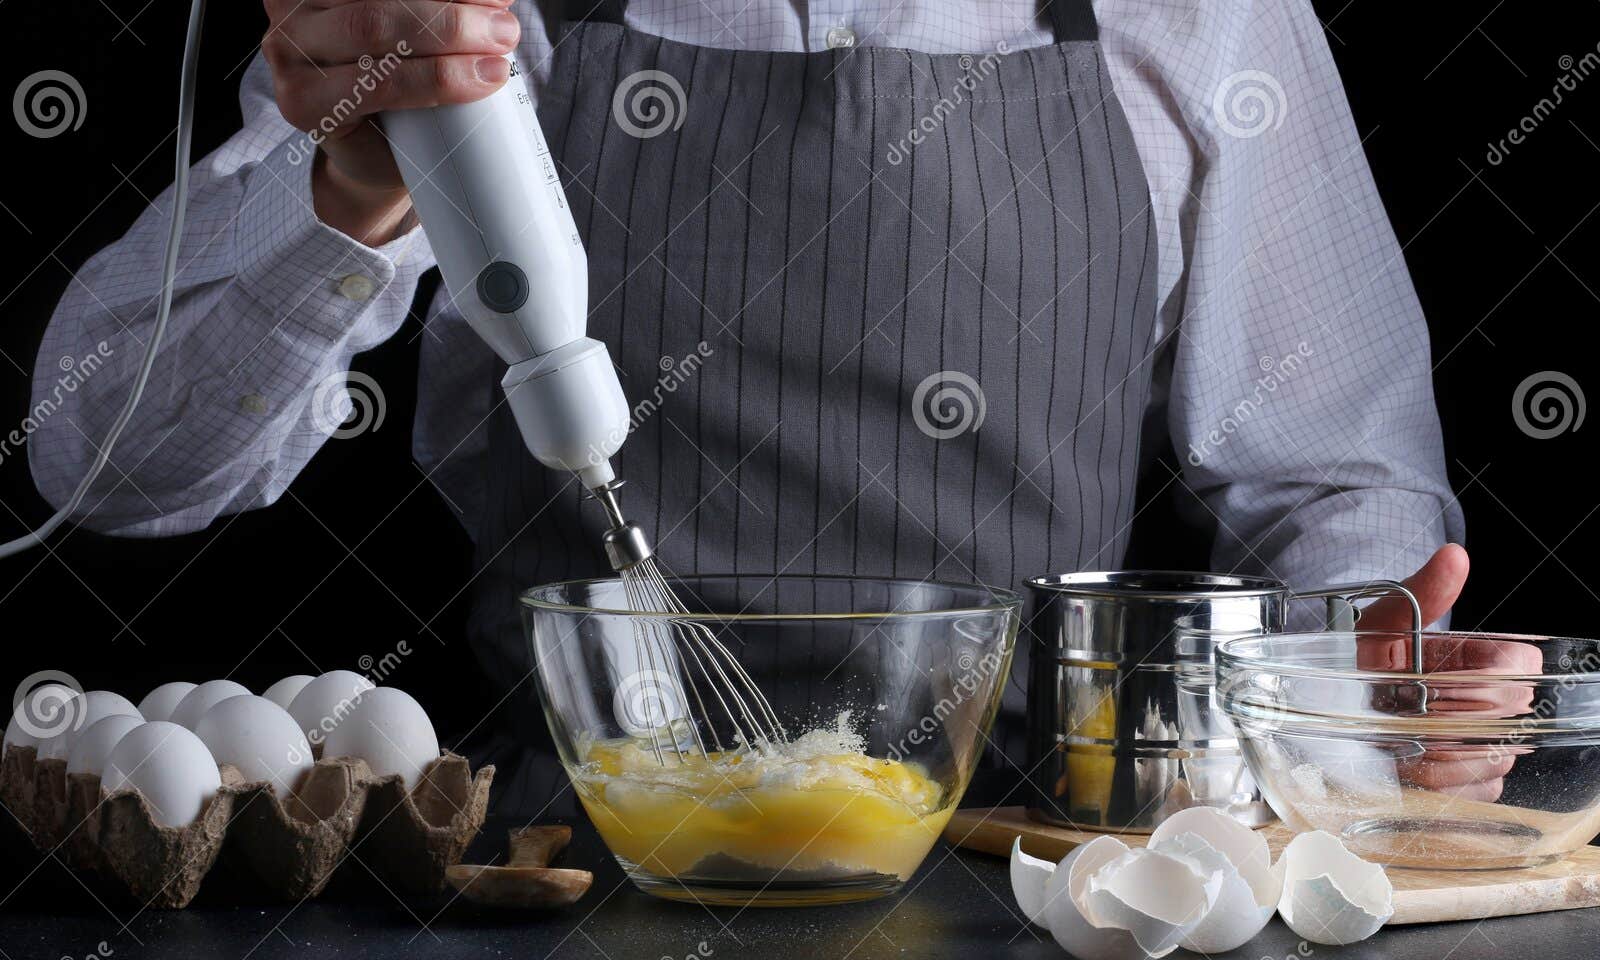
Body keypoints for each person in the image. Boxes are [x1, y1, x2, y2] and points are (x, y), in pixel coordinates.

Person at [29, 0, 1476, 809]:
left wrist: (1358, 707)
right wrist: (345, 195)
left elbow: (1340, 488)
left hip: (1047, 890)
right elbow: (107, 465)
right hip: (564, 884)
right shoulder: (468, 19)